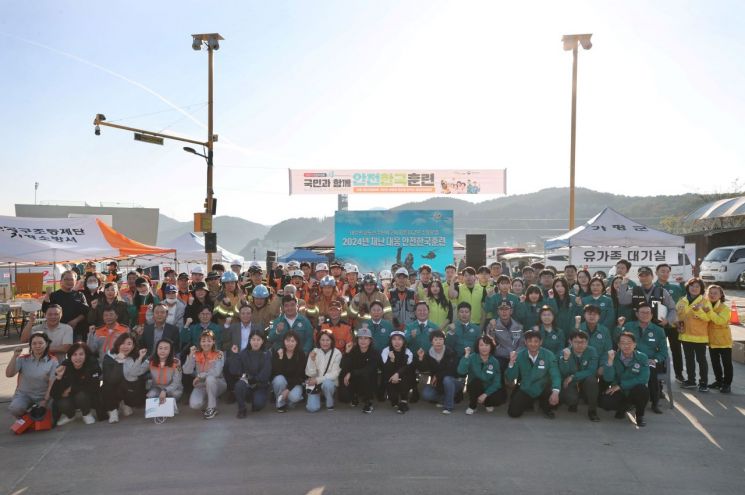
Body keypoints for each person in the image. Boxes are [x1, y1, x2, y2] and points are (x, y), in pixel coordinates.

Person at [617, 303, 668, 413]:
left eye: (647, 312)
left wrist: (655, 360)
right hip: (631, 358)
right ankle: (627, 401)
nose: (645, 315)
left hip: (650, 360)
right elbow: (619, 340)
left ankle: (655, 403)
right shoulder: (629, 326)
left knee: (652, 372)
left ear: (651, 315)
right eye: (642, 312)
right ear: (636, 314)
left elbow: (664, 352)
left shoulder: (658, 330)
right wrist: (619, 327)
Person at [506, 330, 561, 419]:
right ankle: (531, 402)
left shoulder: (549, 355)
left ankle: (544, 405)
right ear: (525, 342)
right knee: (513, 413)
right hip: (527, 387)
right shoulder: (519, 355)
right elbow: (511, 377)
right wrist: (511, 362)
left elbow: (556, 375)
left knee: (555, 403)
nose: (533, 344)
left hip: (544, 388)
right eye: (530, 341)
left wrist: (555, 392)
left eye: (536, 341)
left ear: (541, 342)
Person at [599, 332, 650, 427]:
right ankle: (623, 408)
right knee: (605, 402)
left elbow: (644, 378)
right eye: (623, 343)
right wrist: (610, 362)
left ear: (635, 344)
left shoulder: (642, 357)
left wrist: (621, 386)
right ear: (618, 345)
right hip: (618, 390)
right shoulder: (613, 356)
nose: (626, 346)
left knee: (643, 390)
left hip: (633, 389)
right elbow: (608, 378)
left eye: (629, 343)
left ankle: (639, 416)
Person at [6, 332, 58, 418]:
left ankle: (34, 413)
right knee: (15, 409)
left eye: (41, 343)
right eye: (34, 343)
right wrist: (14, 356)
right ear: (30, 345)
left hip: (43, 396)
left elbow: (52, 383)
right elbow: (9, 374)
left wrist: (45, 401)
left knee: (49, 415)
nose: (37, 346)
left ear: (47, 343)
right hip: (24, 395)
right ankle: (27, 415)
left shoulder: (53, 361)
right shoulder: (22, 359)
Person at [101, 333, 149, 423]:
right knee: (106, 385)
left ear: (133, 346)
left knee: (138, 382)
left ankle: (127, 404)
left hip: (130, 386)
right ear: (118, 344)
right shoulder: (109, 357)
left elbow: (139, 374)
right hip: (114, 387)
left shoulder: (137, 356)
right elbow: (111, 379)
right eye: (122, 343)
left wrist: (141, 358)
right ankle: (113, 411)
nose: (125, 347)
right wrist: (119, 362)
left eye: (129, 344)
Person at [675, 278, 711, 392]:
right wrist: (677, 324)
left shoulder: (705, 302)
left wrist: (698, 311)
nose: (694, 288)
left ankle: (704, 382)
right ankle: (691, 381)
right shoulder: (681, 301)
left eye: (697, 286)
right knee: (689, 359)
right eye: (692, 286)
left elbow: (708, 318)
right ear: (687, 287)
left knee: (701, 360)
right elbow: (677, 316)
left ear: (701, 289)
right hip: (685, 336)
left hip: (700, 337)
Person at [52, 342, 101, 425]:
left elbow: (94, 386)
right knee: (61, 402)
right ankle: (70, 416)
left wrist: (71, 389)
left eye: (81, 354)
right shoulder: (65, 367)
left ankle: (86, 414)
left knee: (81, 395)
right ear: (70, 357)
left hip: (89, 397)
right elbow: (53, 394)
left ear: (86, 355)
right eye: (74, 354)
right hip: (72, 398)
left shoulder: (92, 364)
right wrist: (58, 378)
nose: (78, 357)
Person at [182, 330, 226, 419]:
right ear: (200, 342)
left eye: (209, 341)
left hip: (218, 383)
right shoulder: (196, 354)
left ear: (213, 342)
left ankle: (212, 408)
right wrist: (191, 355)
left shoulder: (219, 353)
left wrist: (199, 376)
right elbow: (186, 371)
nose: (206, 343)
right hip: (201, 384)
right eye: (203, 341)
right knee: (195, 404)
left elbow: (216, 372)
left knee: (210, 379)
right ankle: (211, 399)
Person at [227, 331, 272, 418]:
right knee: (239, 385)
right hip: (246, 383)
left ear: (262, 341)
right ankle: (242, 408)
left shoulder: (266, 354)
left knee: (258, 405)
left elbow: (266, 374)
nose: (255, 342)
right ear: (249, 341)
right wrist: (235, 355)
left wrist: (251, 379)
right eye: (253, 339)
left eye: (258, 340)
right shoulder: (243, 353)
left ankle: (253, 398)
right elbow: (234, 370)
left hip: (260, 386)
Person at [655, 263, 686, 383]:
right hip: (658, 325)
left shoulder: (676, 288)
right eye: (662, 271)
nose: (665, 273)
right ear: (656, 273)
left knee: (676, 350)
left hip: (673, 324)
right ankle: (660, 375)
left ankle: (679, 375)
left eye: (667, 271)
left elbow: (686, 296)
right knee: (659, 351)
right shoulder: (652, 287)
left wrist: (683, 284)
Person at [457, 336, 505, 415]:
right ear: (477, 347)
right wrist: (466, 356)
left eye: (487, 345)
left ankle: (487, 403)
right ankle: (473, 405)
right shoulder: (472, 357)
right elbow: (461, 371)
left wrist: (485, 394)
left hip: (488, 388)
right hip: (475, 387)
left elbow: (497, 382)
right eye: (481, 345)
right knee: (476, 382)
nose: (484, 348)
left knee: (499, 398)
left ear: (491, 347)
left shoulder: (495, 361)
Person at [558, 331, 600, 421]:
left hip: (584, 379)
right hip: (570, 381)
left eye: (583, 342)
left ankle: (592, 410)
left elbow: (592, 370)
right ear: (570, 342)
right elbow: (563, 372)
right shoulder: (564, 352)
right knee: (570, 399)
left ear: (587, 342)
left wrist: (573, 376)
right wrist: (565, 359)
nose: (580, 345)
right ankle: (573, 403)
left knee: (592, 381)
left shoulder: (592, 351)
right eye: (576, 342)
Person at [417, 330, 461, 414]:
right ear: (431, 342)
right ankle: (446, 398)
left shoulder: (450, 352)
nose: (438, 342)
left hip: (453, 382)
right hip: (438, 384)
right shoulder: (429, 354)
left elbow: (452, 370)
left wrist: (437, 376)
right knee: (426, 394)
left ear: (444, 341)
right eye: (436, 340)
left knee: (447, 379)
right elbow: (423, 369)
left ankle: (448, 406)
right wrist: (421, 358)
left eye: (441, 339)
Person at [339, 326, 379, 413]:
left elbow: (368, 370)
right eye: (360, 338)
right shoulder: (353, 350)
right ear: (357, 340)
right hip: (355, 379)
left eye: (366, 338)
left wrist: (351, 373)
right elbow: (343, 366)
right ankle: (354, 396)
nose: (363, 341)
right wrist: (346, 353)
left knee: (366, 375)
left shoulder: (374, 352)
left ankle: (368, 401)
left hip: (368, 380)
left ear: (370, 341)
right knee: (344, 397)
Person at [42, 270, 89, 341]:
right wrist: (47, 296)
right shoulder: (54, 295)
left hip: (76, 331)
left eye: (71, 279)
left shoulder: (80, 295)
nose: (69, 281)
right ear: (61, 281)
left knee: (75, 351)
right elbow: (45, 310)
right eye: (66, 279)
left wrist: (75, 321)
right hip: (58, 331)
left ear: (75, 281)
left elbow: (86, 312)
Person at [704, 284, 732, 394]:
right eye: (710, 293)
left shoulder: (725, 308)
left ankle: (727, 384)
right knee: (715, 363)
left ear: (721, 295)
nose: (712, 295)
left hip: (724, 341)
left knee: (727, 364)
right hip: (712, 341)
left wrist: (709, 312)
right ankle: (719, 381)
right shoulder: (706, 305)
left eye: (715, 293)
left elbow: (720, 321)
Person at [305, 330, 343, 412]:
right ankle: (319, 396)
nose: (325, 343)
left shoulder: (337, 353)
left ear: (332, 341)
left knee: (327, 384)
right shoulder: (314, 351)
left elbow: (335, 374)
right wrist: (312, 360)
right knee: (311, 409)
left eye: (327, 340)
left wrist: (318, 380)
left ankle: (330, 402)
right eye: (322, 340)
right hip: (315, 383)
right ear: (319, 341)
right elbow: (309, 373)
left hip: (329, 382)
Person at [484, 301, 525, 372]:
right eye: (501, 309)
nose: (504, 312)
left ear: (511, 311)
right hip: (500, 357)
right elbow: (490, 345)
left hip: (516, 357)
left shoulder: (519, 326)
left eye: (506, 309)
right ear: (497, 311)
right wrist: (492, 329)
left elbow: (521, 344)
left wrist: (515, 354)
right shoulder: (492, 325)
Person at [380, 331, 415, 414]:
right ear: (390, 341)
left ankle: (404, 401)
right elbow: (385, 369)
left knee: (408, 374)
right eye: (394, 339)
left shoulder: (408, 352)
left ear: (404, 341)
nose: (397, 342)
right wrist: (391, 360)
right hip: (390, 376)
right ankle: (393, 396)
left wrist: (397, 374)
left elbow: (408, 367)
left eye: (400, 339)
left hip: (404, 377)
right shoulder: (386, 351)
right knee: (393, 400)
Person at [272, 331, 307, 412]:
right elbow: (276, 373)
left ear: (296, 342)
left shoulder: (300, 354)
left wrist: (288, 389)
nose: (290, 343)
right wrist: (280, 358)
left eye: (292, 341)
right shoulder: (279, 352)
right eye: (287, 341)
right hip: (282, 382)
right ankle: (280, 404)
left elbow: (300, 376)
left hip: (295, 383)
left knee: (294, 398)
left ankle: (286, 399)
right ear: (284, 341)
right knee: (279, 379)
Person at [147, 339, 183, 408]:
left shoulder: (176, 362)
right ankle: (158, 407)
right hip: (157, 387)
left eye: (166, 349)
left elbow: (177, 382)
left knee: (175, 394)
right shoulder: (150, 361)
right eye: (160, 348)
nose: (162, 351)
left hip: (172, 388)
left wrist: (165, 390)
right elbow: (136, 372)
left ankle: (171, 405)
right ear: (156, 349)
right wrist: (140, 358)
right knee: (150, 395)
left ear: (170, 351)